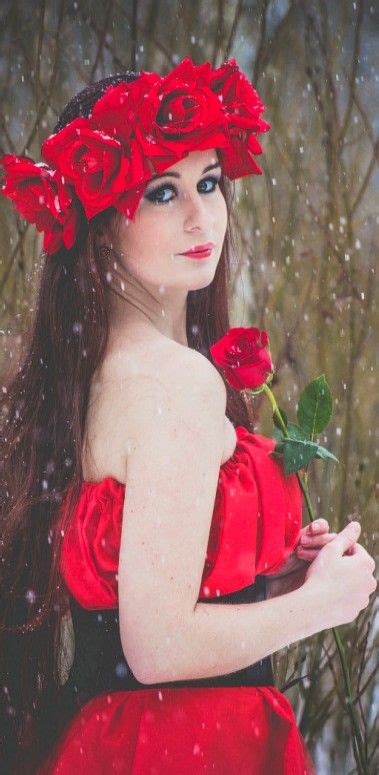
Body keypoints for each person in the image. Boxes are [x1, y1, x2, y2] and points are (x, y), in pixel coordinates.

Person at [0, 57, 376, 775]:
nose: (200, 215)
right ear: (103, 223)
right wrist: (321, 604)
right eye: (161, 192)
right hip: (188, 742)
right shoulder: (174, 381)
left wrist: (266, 586)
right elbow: (157, 647)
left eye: (207, 181)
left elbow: (129, 601)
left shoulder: (93, 374)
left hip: (122, 738)